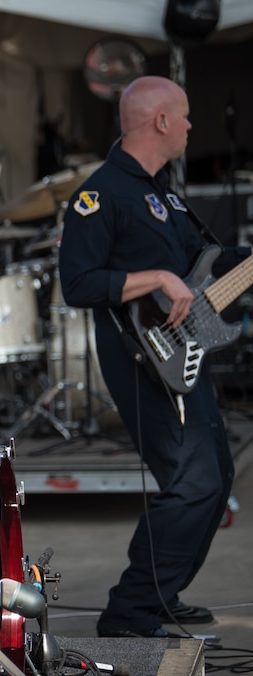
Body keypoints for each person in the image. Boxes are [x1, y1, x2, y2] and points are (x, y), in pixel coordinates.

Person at [58, 76, 251, 638]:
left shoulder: (163, 194)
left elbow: (205, 264)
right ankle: (131, 612)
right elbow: (78, 284)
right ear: (161, 122)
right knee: (193, 484)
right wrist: (156, 277)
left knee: (215, 481)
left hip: (186, 352)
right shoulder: (99, 194)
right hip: (141, 356)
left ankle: (162, 596)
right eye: (186, 117)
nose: (193, 127)